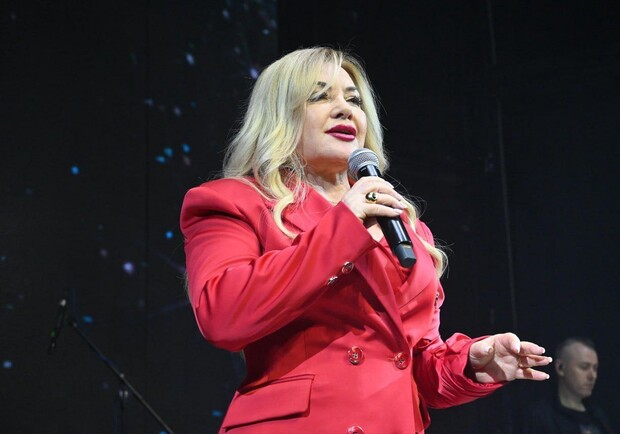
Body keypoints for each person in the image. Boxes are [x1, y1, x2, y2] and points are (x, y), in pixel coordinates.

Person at [180, 46, 552, 434]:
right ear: (280, 115)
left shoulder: (405, 226)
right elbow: (223, 315)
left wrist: (471, 363)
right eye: (320, 96)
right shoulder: (234, 201)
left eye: (354, 100)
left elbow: (414, 362)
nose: (345, 110)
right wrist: (343, 227)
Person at [522, 337, 615, 433]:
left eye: (595, 368)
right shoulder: (539, 417)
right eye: (584, 367)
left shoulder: (598, 416)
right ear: (560, 367)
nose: (593, 376)